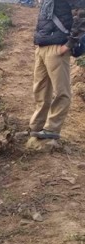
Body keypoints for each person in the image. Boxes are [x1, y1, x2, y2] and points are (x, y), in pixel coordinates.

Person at [29, 0, 85, 140]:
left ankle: (52, 129)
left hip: (58, 48)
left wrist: (69, 44)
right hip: (42, 46)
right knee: (40, 90)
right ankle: (36, 126)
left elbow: (82, 16)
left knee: (61, 92)